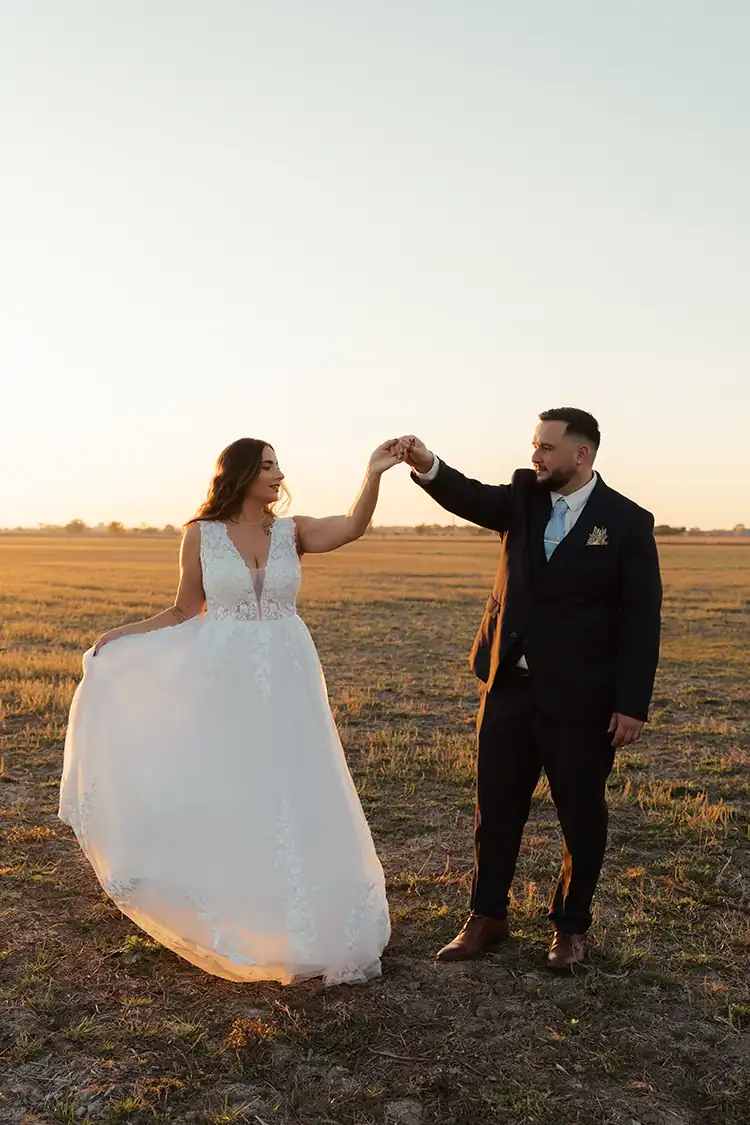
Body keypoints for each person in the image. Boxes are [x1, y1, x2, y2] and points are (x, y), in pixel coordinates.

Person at [58, 437, 402, 985]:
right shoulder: (201, 534)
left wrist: (374, 474)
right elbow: (183, 608)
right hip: (226, 680)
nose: (279, 474)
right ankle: (244, 915)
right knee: (235, 786)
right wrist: (122, 636)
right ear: (240, 473)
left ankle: (310, 919)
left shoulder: (294, 531)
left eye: (278, 465)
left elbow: (353, 525)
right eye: (267, 466)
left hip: (289, 677)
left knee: (297, 785)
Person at [397, 409, 662, 969]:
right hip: (508, 689)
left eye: (545, 447)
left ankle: (570, 927)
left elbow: (642, 619)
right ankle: (487, 916)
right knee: (494, 810)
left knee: (581, 815)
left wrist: (631, 704)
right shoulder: (521, 496)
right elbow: (470, 497)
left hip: (581, 699)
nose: (535, 456)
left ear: (581, 455)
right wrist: (427, 465)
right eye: (534, 445)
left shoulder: (628, 522)